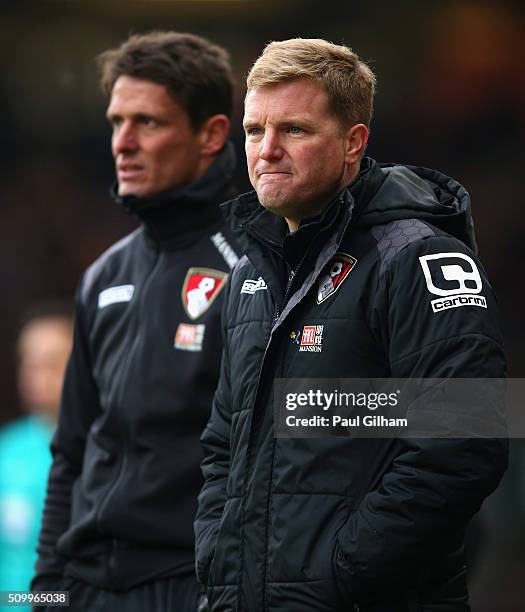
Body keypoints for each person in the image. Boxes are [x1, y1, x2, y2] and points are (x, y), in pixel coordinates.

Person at [195, 38, 507, 611]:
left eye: (294, 130)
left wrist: (344, 572)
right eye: (254, 130)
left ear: (352, 143)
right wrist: (218, 556)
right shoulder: (248, 276)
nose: (267, 151)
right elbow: (223, 445)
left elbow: (466, 442)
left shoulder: (419, 259)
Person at [33, 31, 240, 611]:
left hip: (189, 587)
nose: (122, 142)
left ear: (212, 134)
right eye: (116, 121)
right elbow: (70, 451)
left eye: (147, 122)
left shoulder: (253, 269)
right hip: (87, 588)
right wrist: (48, 591)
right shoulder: (103, 275)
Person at [0, 302, 73, 612]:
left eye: (51, 363)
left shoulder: (105, 452)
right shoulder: (7, 449)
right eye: (28, 363)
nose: (35, 375)